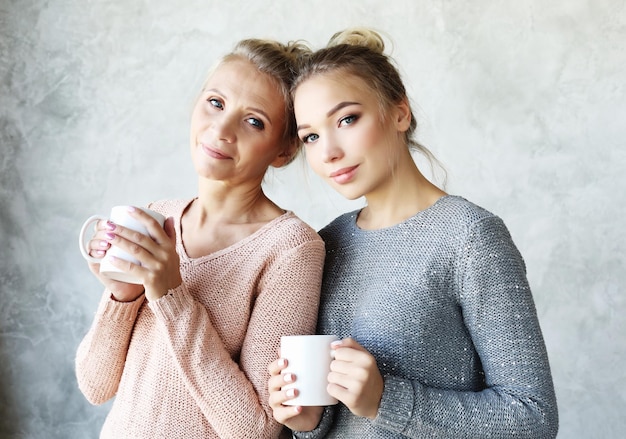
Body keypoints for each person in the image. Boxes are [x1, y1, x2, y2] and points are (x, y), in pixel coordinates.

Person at [268, 28, 559, 438]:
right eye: (311, 136)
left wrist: (386, 400)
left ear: (400, 113)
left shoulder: (471, 237)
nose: (328, 151)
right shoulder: (326, 243)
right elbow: (343, 417)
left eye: (347, 119)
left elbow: (533, 419)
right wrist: (307, 422)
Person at [75, 37, 325, 439]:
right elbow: (95, 386)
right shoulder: (161, 215)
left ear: (284, 150)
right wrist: (122, 295)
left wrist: (170, 294)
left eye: (254, 120)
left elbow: (257, 430)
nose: (221, 129)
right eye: (216, 102)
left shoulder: (291, 248)